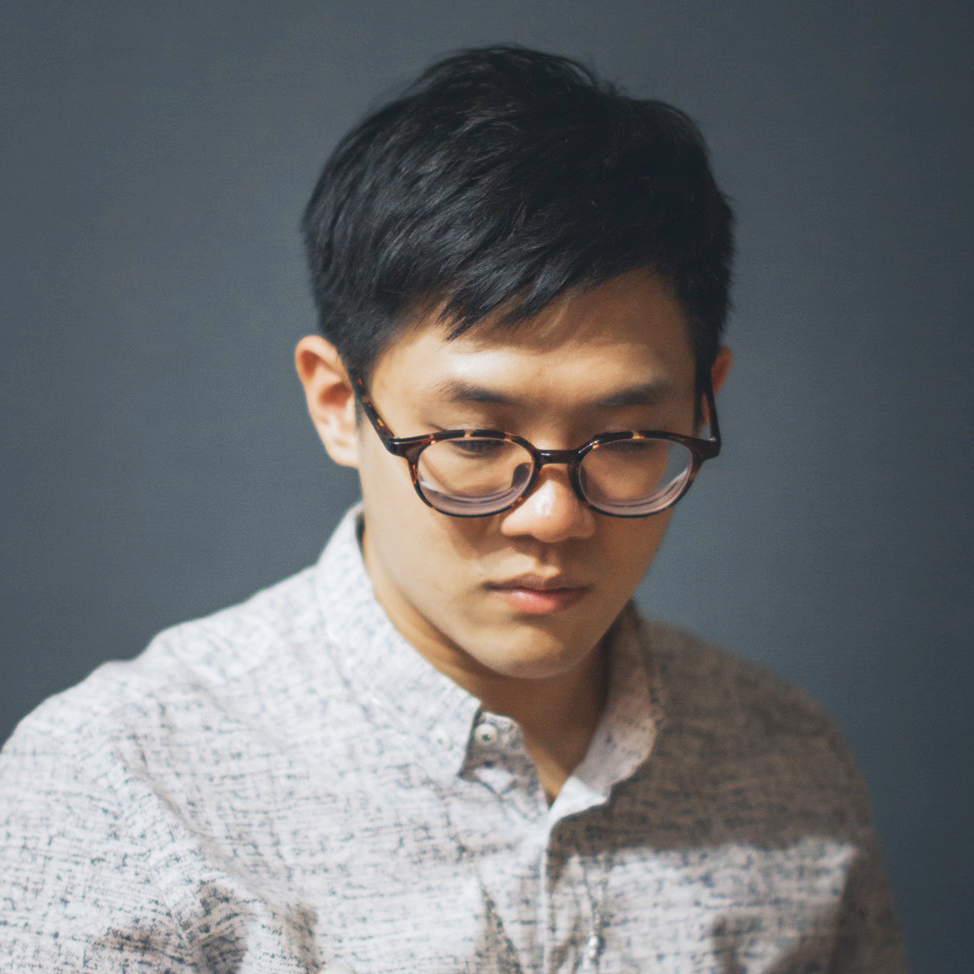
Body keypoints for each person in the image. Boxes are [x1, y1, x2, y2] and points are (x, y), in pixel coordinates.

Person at [0, 46, 906, 973]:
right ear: (338, 403)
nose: (553, 518)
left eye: (629, 438)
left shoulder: (786, 760)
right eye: (475, 439)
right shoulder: (119, 792)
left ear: (704, 403)